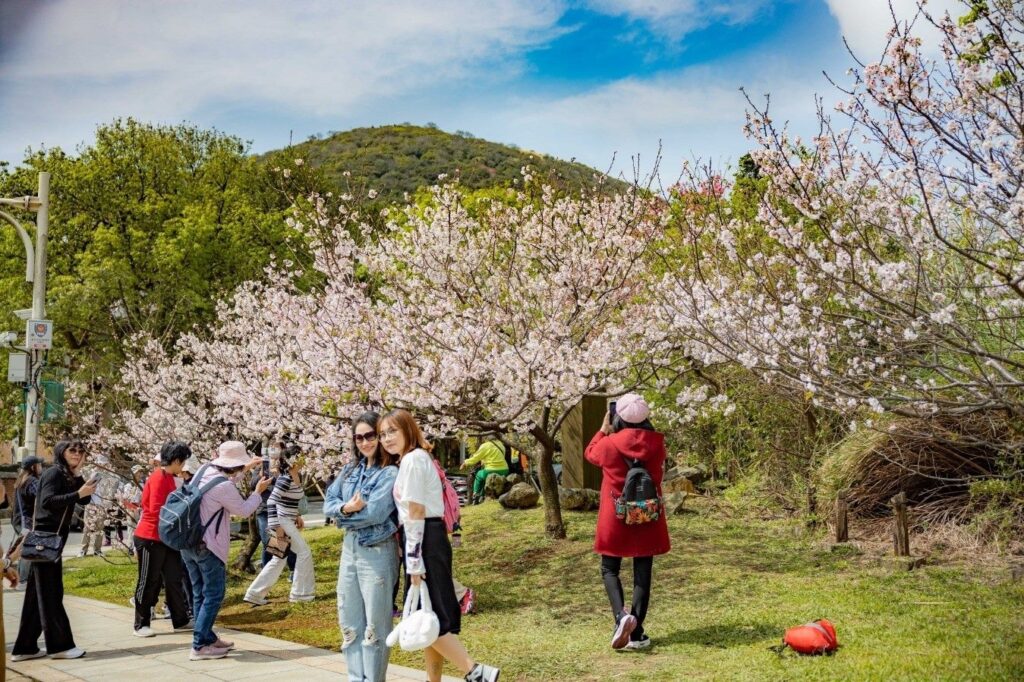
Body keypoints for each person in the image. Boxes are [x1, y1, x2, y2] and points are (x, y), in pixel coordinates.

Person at [381, 409, 500, 682]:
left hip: (423, 539)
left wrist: (413, 561)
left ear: (408, 430)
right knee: (429, 616)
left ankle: (476, 672)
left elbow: (415, 511)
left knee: (433, 617)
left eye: (392, 431)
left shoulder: (411, 460)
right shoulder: (419, 458)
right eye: (383, 434)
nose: (386, 438)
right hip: (432, 537)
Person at [584, 393, 670, 651]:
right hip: (647, 513)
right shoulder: (657, 444)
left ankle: (622, 618)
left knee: (610, 568)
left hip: (617, 514)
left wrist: (602, 430)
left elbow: (590, 454)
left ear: (616, 415)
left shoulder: (609, 444)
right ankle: (637, 633)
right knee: (642, 571)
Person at [324, 411, 400, 682]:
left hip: (378, 552)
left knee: (375, 627)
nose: (365, 442)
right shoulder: (350, 470)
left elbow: (376, 513)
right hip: (350, 552)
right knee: (349, 623)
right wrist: (346, 507)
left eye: (370, 436)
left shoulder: (390, 472)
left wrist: (342, 517)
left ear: (379, 437)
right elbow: (328, 503)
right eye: (359, 437)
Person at [181, 440, 271, 661]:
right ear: (236, 464)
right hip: (208, 546)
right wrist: (258, 492)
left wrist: (247, 467)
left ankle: (208, 637)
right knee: (214, 594)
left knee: (199, 591)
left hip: (188, 543)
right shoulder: (224, 486)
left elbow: (226, 480)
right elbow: (243, 510)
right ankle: (199, 645)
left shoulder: (204, 470)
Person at [12, 440, 98, 661]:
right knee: (51, 594)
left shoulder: (67, 475)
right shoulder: (53, 474)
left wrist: (80, 477)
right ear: (62, 452)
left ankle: (25, 647)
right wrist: (78, 493)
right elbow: (47, 502)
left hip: (53, 540)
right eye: (72, 450)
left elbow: (85, 499)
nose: (77, 454)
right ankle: (60, 647)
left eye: (81, 451)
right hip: (46, 539)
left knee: (35, 596)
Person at [131, 442, 194, 637]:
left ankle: (180, 619)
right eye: (182, 461)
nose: (183, 465)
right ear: (176, 461)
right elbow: (159, 510)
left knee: (174, 579)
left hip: (167, 537)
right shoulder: (158, 477)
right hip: (150, 536)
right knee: (148, 580)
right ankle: (141, 624)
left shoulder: (169, 476)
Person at [243, 444, 315, 605]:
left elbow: (287, 500)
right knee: (304, 552)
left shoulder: (295, 476)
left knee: (278, 559)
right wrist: (278, 528)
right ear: (293, 460)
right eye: (301, 456)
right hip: (281, 523)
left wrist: (296, 515)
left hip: (287, 520)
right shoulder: (285, 478)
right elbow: (271, 501)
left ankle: (254, 594)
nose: (304, 459)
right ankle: (300, 594)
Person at [252, 440, 297, 574]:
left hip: (283, 509)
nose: (273, 450)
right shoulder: (261, 466)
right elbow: (252, 485)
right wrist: (260, 476)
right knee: (268, 541)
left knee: (287, 539)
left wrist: (278, 473)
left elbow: (292, 487)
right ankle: (269, 572)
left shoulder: (286, 467)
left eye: (277, 448)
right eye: (271, 448)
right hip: (264, 509)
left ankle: (291, 570)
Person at [13, 456, 43, 585]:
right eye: (39, 464)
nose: (41, 467)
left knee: (22, 548)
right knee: (27, 549)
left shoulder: (20, 480)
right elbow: (41, 496)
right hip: (27, 522)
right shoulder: (32, 481)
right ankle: (23, 579)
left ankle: (20, 576)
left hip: (18, 520)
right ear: (33, 467)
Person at [461, 438, 509, 504]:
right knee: (484, 476)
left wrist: (465, 463)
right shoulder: (501, 445)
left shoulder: (485, 446)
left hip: (490, 470)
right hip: (504, 470)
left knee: (478, 475)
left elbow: (475, 458)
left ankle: (476, 494)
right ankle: (482, 495)